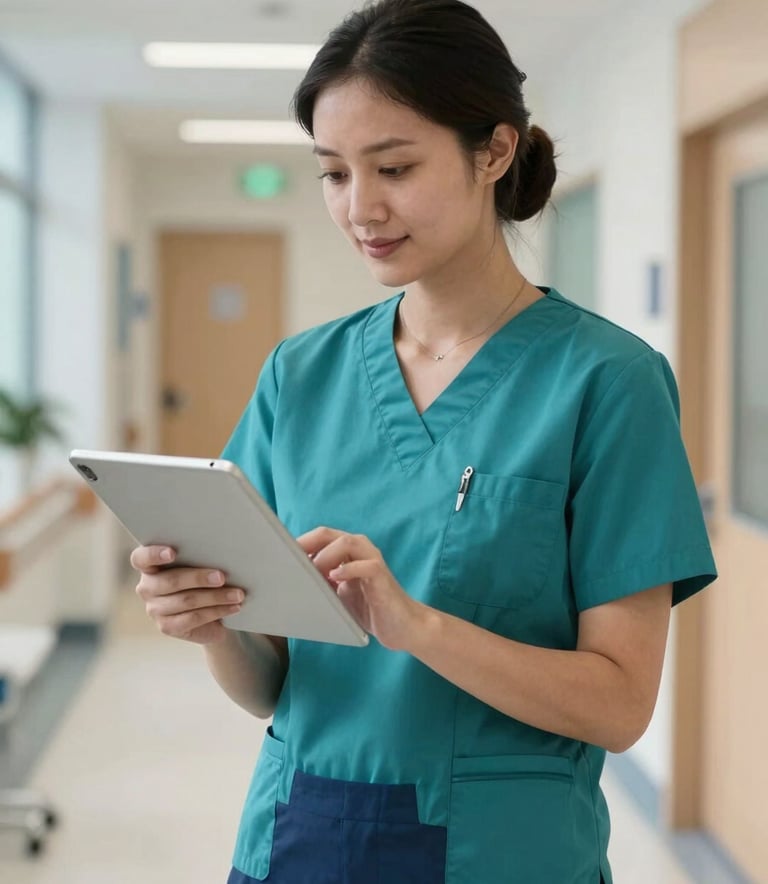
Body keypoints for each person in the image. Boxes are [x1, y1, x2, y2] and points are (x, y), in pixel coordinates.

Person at [131, 1, 717, 881]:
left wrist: (418, 627)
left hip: (503, 852)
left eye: (394, 166)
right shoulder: (302, 375)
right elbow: (272, 687)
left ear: (494, 151)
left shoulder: (605, 382)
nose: (360, 207)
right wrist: (212, 626)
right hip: (299, 838)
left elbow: (622, 704)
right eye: (333, 173)